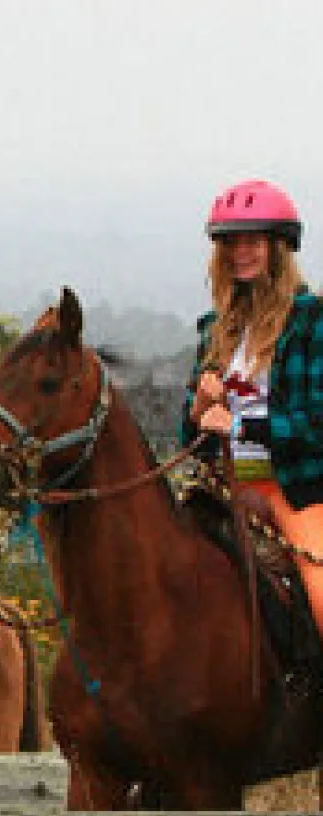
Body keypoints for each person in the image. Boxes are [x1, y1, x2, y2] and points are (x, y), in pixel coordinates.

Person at [182, 178, 323, 638]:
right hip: (220, 484)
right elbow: (193, 438)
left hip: (290, 486)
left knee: (320, 594)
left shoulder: (310, 319)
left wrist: (243, 425)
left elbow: (315, 425)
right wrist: (198, 409)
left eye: (252, 240)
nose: (240, 251)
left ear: (279, 247)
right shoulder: (214, 328)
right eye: (231, 242)